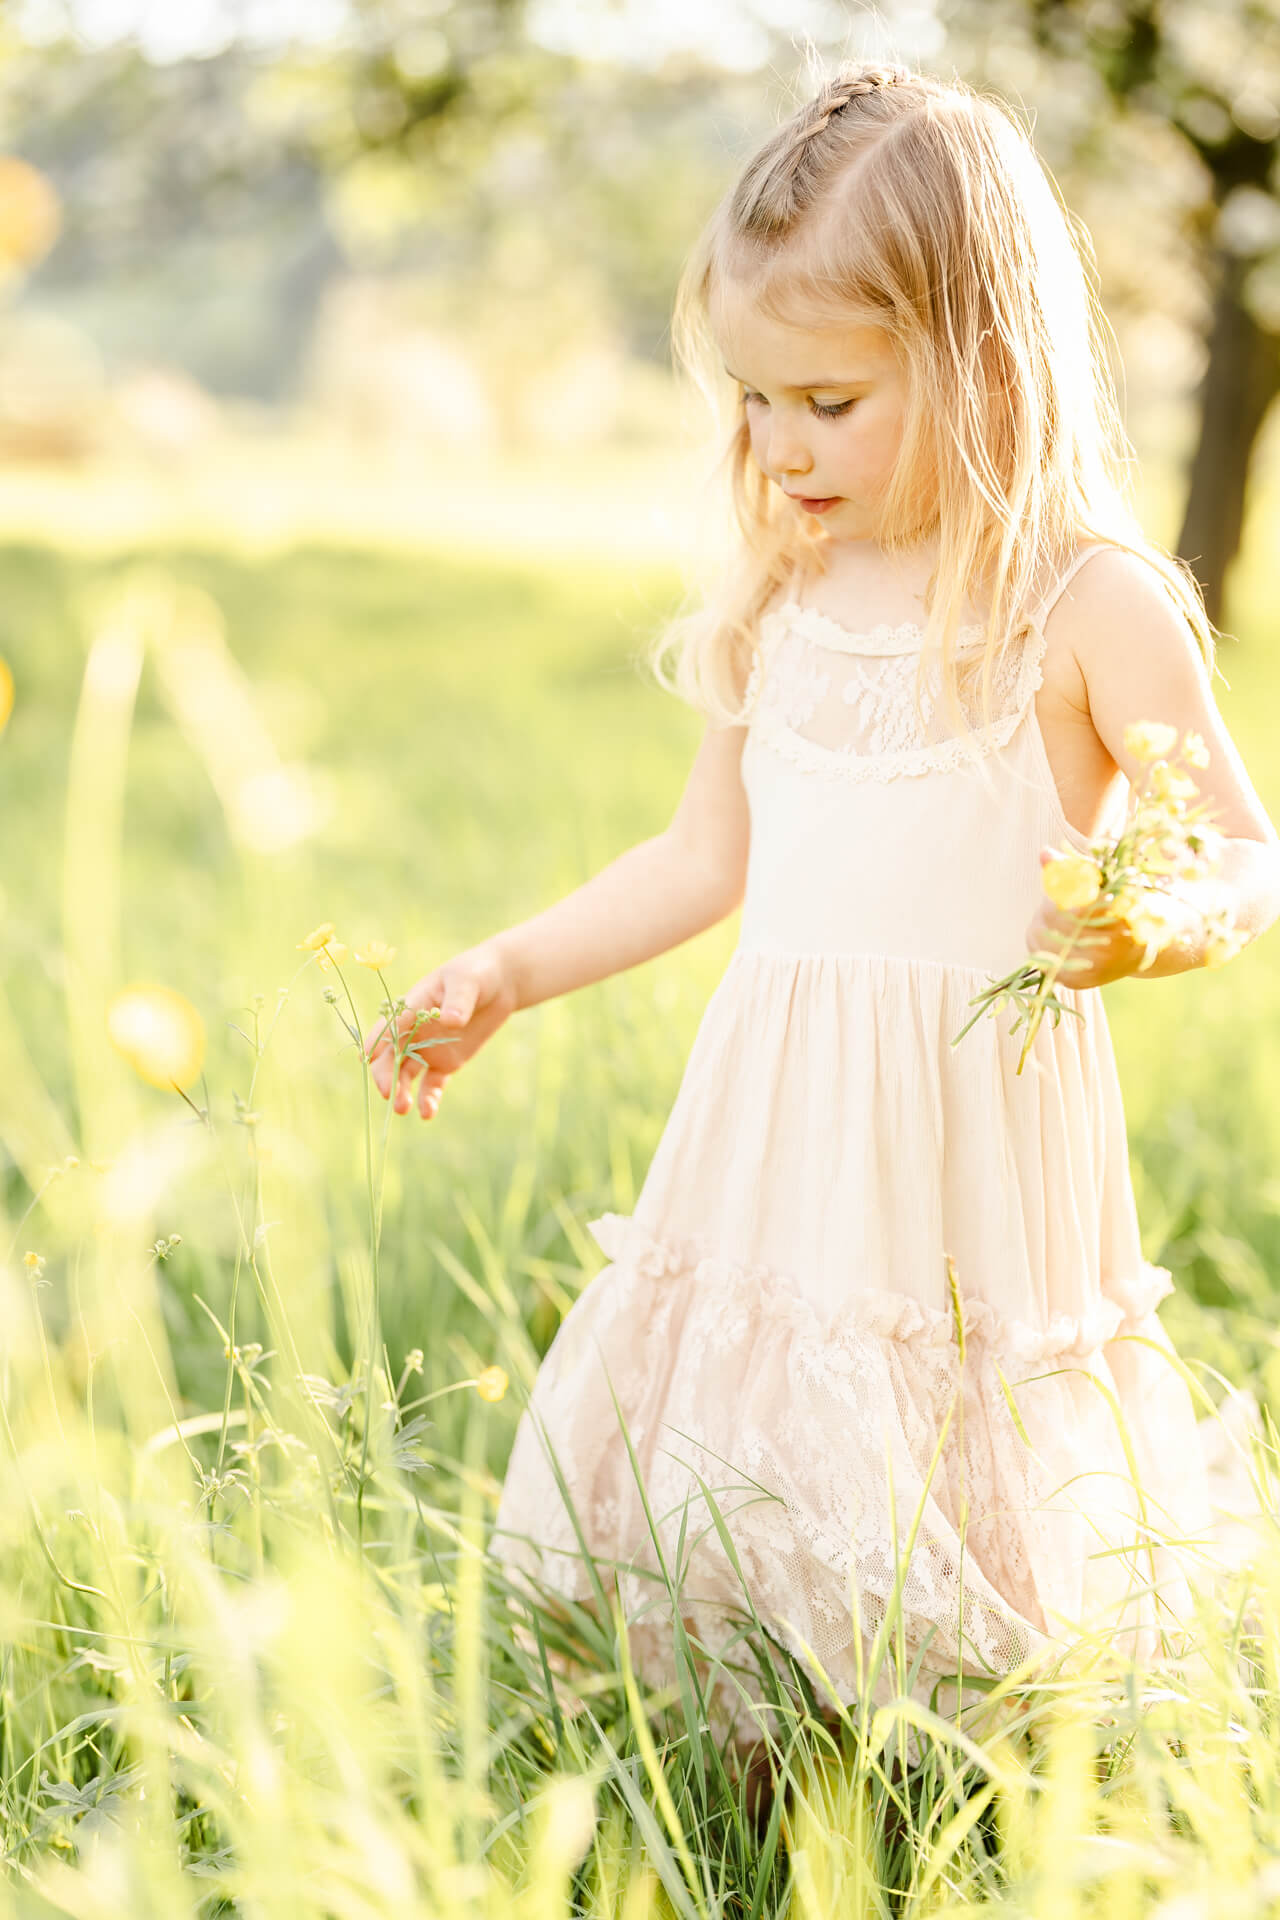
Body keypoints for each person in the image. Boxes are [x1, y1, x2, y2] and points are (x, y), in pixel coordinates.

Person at [362, 60, 1280, 1778]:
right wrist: (509, 970)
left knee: (973, 1486)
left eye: (831, 401)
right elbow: (698, 859)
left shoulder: (1084, 605)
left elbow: (1247, 852)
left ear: (984, 361)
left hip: (973, 1149)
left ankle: (982, 1790)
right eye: (755, 398)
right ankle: (761, 1770)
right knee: (760, 1462)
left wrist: (1157, 921)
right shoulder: (784, 594)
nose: (781, 446)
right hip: (778, 1137)